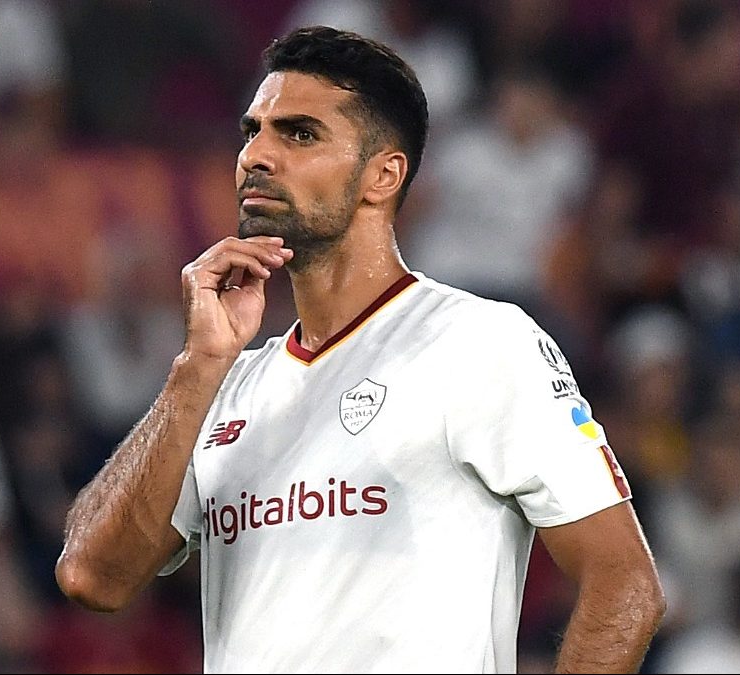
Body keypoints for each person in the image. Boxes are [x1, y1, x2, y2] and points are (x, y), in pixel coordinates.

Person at [56, 25, 666, 673]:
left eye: (299, 134)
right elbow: (93, 577)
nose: (257, 155)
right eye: (252, 131)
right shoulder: (224, 384)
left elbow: (625, 585)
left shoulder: (480, 342)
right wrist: (197, 367)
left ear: (382, 175)